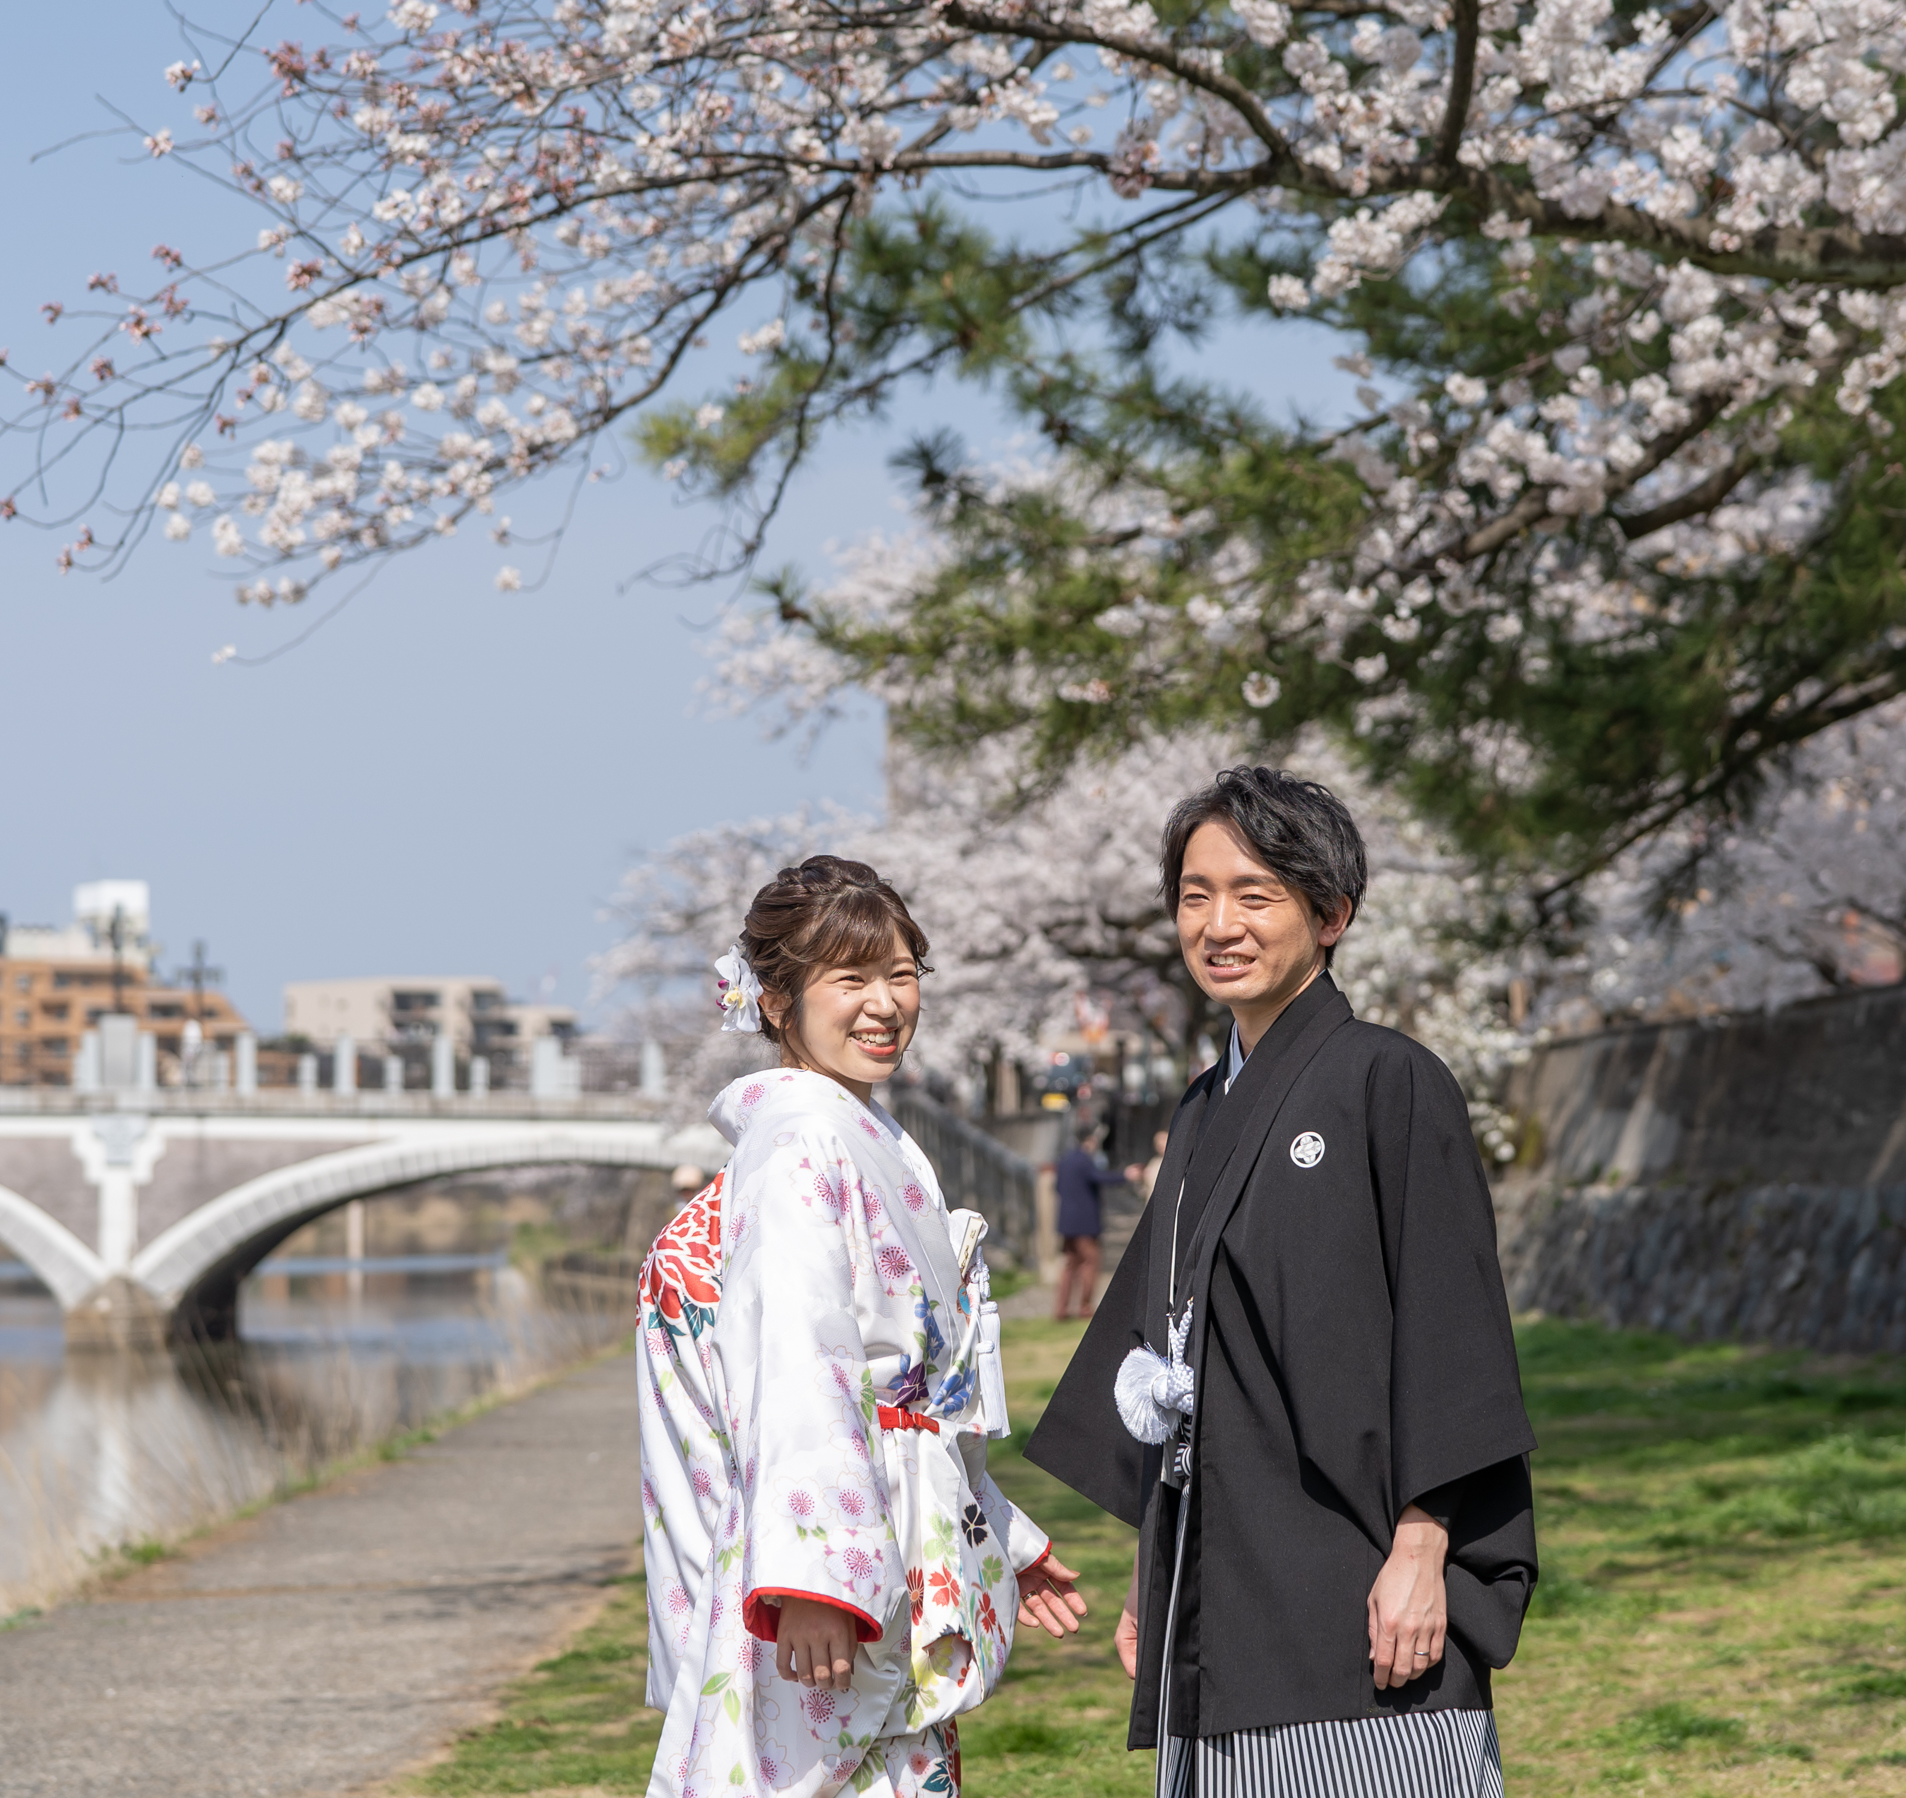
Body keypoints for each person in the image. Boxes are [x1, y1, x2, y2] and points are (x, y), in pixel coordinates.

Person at [1026, 770, 1537, 1797]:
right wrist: (1155, 1576)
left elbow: (1452, 1333)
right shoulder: (1205, 1109)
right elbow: (1166, 1357)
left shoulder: (1388, 1081)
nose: (1219, 924)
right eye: (1196, 894)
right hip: (1221, 1587)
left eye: (1254, 895)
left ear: (1330, 913)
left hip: (1355, 1576)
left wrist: (1424, 1550)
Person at [637, 855, 1091, 1798]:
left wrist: (998, 1530)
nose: (884, 1003)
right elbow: (800, 1368)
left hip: (874, 1540)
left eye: (900, 974)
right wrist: (812, 1584)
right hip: (822, 1581)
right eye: (850, 979)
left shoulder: (854, 1135)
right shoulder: (802, 1141)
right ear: (775, 1002)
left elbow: (905, 1404)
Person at [1051, 1120, 1130, 1321]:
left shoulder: (1065, 1160)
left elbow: (1058, 1187)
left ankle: (1061, 1308)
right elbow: (1099, 1177)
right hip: (1084, 1223)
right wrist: (1125, 1175)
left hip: (1067, 1223)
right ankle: (1085, 1307)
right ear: (1090, 1140)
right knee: (1090, 1263)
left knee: (1070, 1265)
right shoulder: (1085, 1160)